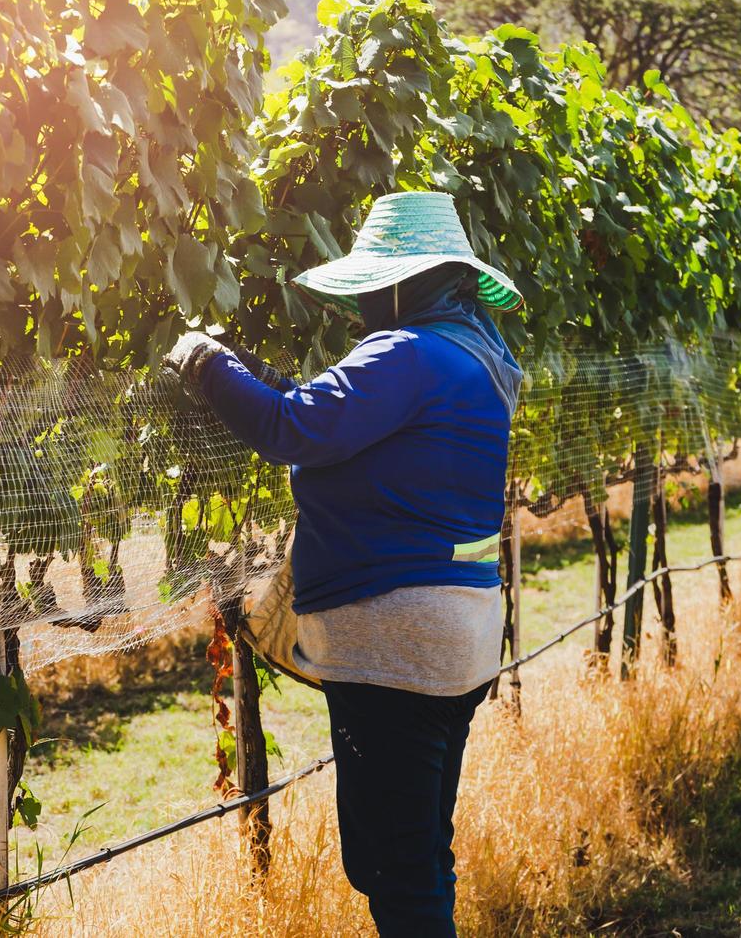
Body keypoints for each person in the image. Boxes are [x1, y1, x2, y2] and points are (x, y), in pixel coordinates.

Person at [164, 191, 524, 937]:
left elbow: (288, 426)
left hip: (397, 646)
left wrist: (207, 361)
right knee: (420, 851)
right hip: (459, 637)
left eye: (371, 285)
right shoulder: (479, 361)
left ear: (403, 284)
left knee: (390, 865)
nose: (363, 300)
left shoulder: (406, 354)